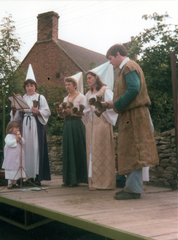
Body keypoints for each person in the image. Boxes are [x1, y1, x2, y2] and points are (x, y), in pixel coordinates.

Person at [106, 44, 159, 200]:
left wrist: (117, 104)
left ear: (117, 54)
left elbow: (134, 89)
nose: (110, 63)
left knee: (135, 150)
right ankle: (131, 187)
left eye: (110, 59)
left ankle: (134, 190)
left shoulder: (129, 66)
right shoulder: (126, 68)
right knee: (131, 150)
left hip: (135, 114)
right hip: (132, 114)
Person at [10, 64, 51, 186]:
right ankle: (26, 176)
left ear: (35, 86)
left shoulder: (40, 97)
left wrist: (38, 111)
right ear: (25, 87)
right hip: (24, 127)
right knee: (25, 150)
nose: (29, 88)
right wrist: (14, 109)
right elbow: (16, 117)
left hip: (35, 125)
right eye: (27, 86)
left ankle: (36, 176)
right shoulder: (21, 98)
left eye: (31, 85)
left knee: (35, 149)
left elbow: (47, 111)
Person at [83, 63, 118, 191]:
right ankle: (93, 181)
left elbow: (112, 106)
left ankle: (105, 182)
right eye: (87, 79)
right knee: (91, 152)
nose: (88, 81)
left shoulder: (105, 90)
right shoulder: (88, 93)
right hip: (91, 124)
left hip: (102, 122)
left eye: (90, 78)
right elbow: (86, 110)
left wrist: (102, 109)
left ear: (97, 78)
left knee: (102, 150)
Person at [56, 72, 88, 187]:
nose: (67, 87)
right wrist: (61, 113)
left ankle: (77, 179)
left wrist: (73, 112)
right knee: (68, 150)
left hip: (76, 124)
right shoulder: (66, 98)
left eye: (69, 84)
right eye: (66, 85)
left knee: (77, 149)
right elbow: (63, 114)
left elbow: (83, 112)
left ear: (75, 85)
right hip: (67, 124)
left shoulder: (81, 97)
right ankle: (69, 178)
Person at [2, 121, 26, 189]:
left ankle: (15, 182)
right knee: (11, 168)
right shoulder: (8, 136)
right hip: (11, 157)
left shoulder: (18, 135)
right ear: (10, 129)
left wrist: (20, 139)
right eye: (16, 127)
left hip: (18, 156)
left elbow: (23, 142)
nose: (18, 129)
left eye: (18, 127)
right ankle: (9, 183)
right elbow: (9, 143)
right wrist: (15, 140)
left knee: (17, 168)